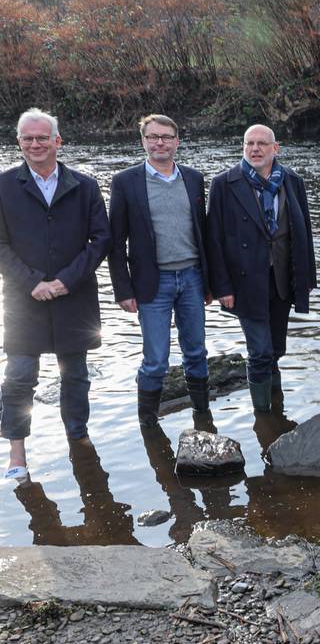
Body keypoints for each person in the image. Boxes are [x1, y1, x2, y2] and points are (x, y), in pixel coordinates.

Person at [0, 108, 111, 479]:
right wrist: (32, 281)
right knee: (18, 375)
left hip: (74, 296)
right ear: (19, 143)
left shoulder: (86, 185)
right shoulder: (2, 186)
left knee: (76, 375)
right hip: (21, 298)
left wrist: (65, 280)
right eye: (27, 138)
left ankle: (77, 436)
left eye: (42, 137)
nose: (35, 144)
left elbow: (101, 240)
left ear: (57, 141)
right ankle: (17, 452)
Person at [109, 114, 211, 427]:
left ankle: (202, 415)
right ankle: (148, 424)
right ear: (143, 141)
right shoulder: (126, 182)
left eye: (166, 136)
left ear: (177, 141)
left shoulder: (193, 178)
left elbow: (203, 233)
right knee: (156, 360)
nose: (160, 143)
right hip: (152, 283)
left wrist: (211, 282)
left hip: (192, 277)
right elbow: (116, 242)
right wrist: (123, 290)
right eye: (153, 137)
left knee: (196, 352)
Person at [208, 124, 316, 413]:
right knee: (260, 351)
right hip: (244, 282)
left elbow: (303, 229)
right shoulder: (224, 183)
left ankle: (277, 406)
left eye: (261, 144)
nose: (255, 149)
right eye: (249, 143)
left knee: (276, 350)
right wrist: (221, 288)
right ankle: (263, 416)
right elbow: (214, 240)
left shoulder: (292, 180)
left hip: (281, 277)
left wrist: (306, 277)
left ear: (275, 148)